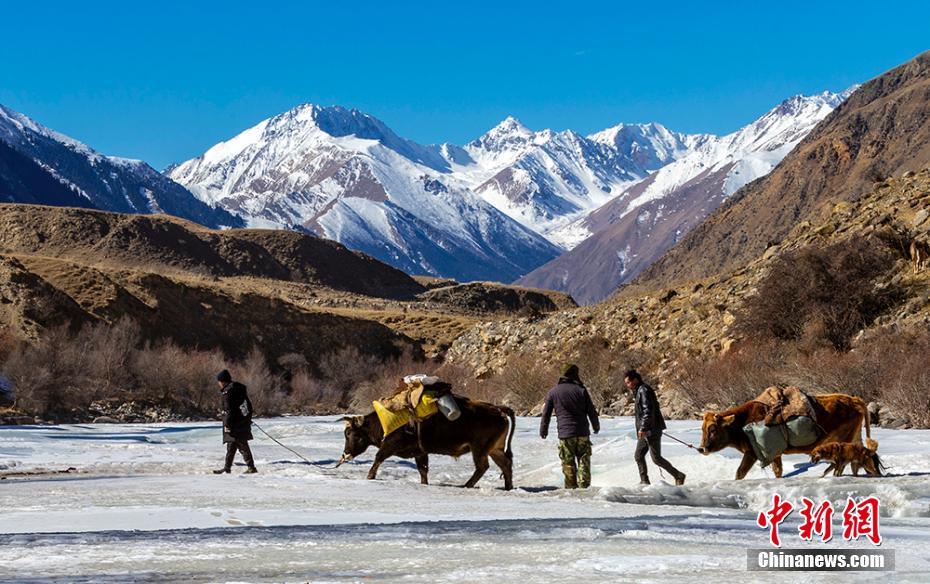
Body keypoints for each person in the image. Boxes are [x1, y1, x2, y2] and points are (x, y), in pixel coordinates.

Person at [539, 363, 600, 489]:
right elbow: (591, 411)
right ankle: (584, 489)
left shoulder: (553, 392)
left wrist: (543, 430)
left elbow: (546, 414)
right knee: (584, 462)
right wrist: (596, 426)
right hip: (582, 432)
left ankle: (571, 492)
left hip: (565, 434)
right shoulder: (581, 390)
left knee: (568, 464)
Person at [625, 369, 685, 485]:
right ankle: (644, 481)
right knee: (639, 455)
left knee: (656, 458)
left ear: (635, 380)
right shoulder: (639, 390)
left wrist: (643, 428)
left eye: (628, 382)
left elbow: (648, 410)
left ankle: (678, 475)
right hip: (648, 430)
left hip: (651, 430)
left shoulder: (643, 390)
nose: (627, 385)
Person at [214, 369, 257, 474]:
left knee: (242, 446)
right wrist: (247, 419)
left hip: (234, 424)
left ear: (222, 381)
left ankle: (251, 468)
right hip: (242, 421)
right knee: (231, 446)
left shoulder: (228, 392)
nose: (219, 384)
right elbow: (247, 407)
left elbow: (230, 411)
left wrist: (228, 425)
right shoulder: (238, 390)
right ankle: (227, 468)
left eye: (219, 381)